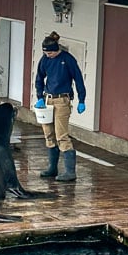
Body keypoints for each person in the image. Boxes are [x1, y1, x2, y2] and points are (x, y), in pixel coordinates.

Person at [34, 31, 86, 183]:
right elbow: (39, 78)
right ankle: (52, 167)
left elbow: (78, 79)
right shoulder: (44, 60)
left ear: (56, 49)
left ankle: (70, 172)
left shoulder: (67, 59)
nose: (48, 55)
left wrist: (81, 99)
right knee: (48, 133)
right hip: (48, 100)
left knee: (61, 135)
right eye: (45, 52)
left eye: (50, 52)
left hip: (62, 100)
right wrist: (40, 97)